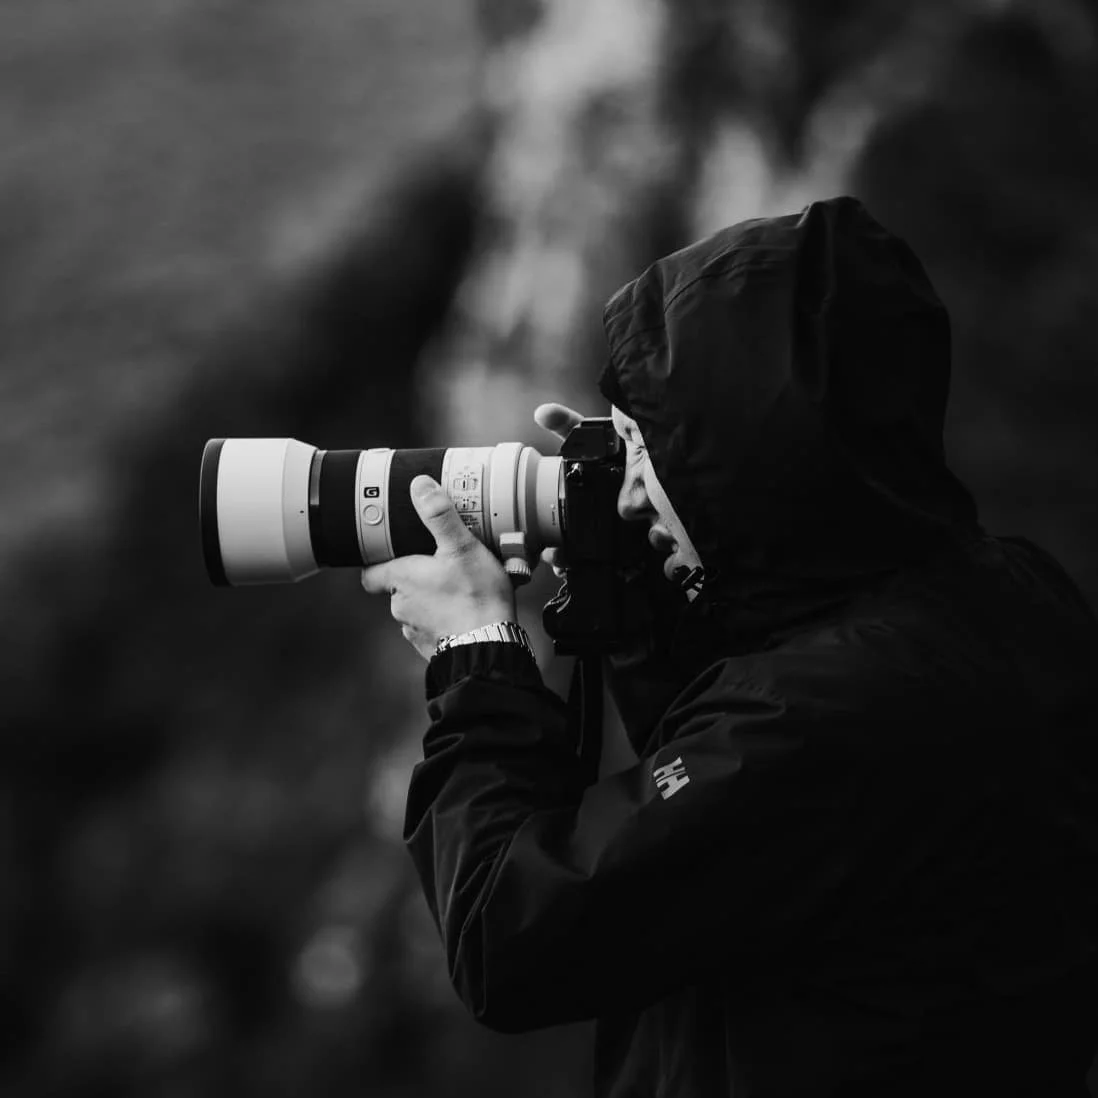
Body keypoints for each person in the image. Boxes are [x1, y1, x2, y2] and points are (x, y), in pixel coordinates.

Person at [360, 196, 1098, 1097]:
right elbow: (726, 812)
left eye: (647, 452)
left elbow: (508, 932)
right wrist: (652, 590)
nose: (627, 494)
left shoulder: (823, 722)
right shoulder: (1002, 594)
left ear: (745, 455)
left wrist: (477, 651)